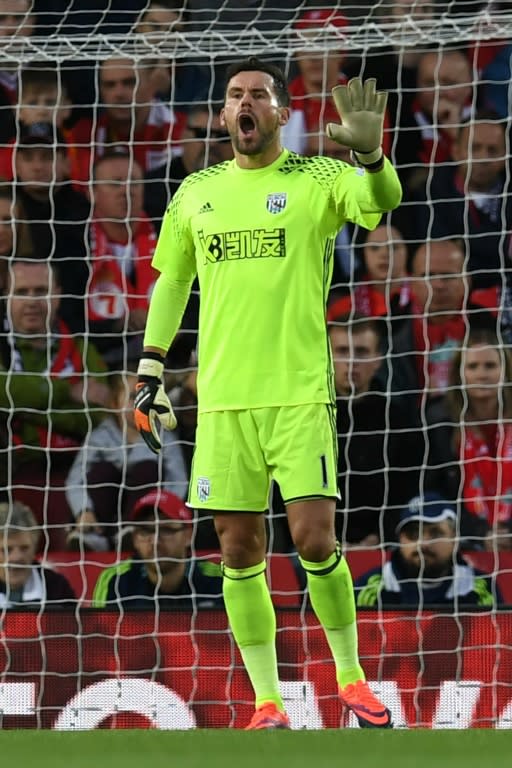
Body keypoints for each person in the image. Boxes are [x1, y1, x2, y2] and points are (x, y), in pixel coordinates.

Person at [133, 56, 402, 730]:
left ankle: (351, 678)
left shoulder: (317, 178)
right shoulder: (196, 191)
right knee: (237, 549)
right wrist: (149, 369)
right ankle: (267, 702)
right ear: (222, 114)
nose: (244, 104)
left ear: (282, 113)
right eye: (233, 96)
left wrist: (371, 157)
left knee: (314, 539)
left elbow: (380, 205)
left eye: (258, 94)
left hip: (298, 393)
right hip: (223, 399)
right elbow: (172, 282)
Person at [0, 260, 110, 549]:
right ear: (6, 296)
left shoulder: (82, 350)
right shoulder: (2, 349)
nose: (33, 302)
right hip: (16, 468)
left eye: (42, 291)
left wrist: (25, 408)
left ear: (58, 294)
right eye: (23, 291)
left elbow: (98, 415)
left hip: (77, 468)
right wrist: (67, 391)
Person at [65, 369, 188, 551]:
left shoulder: (164, 437)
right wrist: (84, 510)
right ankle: (92, 536)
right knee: (101, 470)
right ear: (115, 403)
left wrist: (164, 511)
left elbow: (179, 479)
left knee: (147, 469)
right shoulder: (99, 437)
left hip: (145, 516)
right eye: (133, 397)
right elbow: (76, 478)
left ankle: (134, 531)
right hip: (102, 517)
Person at [328, 314, 422, 546]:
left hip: (385, 545)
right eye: (342, 351)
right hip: (313, 544)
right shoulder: (305, 419)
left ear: (378, 359)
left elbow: (407, 490)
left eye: (361, 352)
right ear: (326, 357)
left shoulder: (399, 421)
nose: (351, 362)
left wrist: (379, 537)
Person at [425, 326, 512, 552]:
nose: (482, 374)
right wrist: (480, 534)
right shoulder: (439, 423)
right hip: (462, 541)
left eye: (490, 365)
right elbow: (435, 494)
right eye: (473, 366)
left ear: (506, 371)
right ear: (459, 373)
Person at [406, 110, 510, 290]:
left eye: (492, 150)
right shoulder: (430, 195)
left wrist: (467, 245)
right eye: (474, 148)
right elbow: (441, 261)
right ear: (456, 151)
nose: (483, 158)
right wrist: (506, 245)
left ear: (506, 155)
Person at [355, 492, 501, 607]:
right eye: (413, 534)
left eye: (436, 533)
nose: (423, 543)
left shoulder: (481, 590)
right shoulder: (370, 588)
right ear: (400, 539)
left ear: (454, 538)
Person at [86, 148, 159, 367]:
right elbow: (70, 320)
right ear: (92, 192)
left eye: (134, 183)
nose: (127, 191)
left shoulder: (168, 233)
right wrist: (119, 325)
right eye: (115, 183)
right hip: (103, 361)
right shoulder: (75, 244)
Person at [92, 489, 223, 609]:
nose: (155, 541)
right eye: (146, 531)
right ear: (135, 539)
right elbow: (99, 633)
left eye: (166, 529)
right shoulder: (115, 581)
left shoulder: (218, 580)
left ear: (188, 535)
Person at [0, 501, 75, 608]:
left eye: (24, 548)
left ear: (34, 548)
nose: (17, 557)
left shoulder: (57, 587)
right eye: (7, 550)